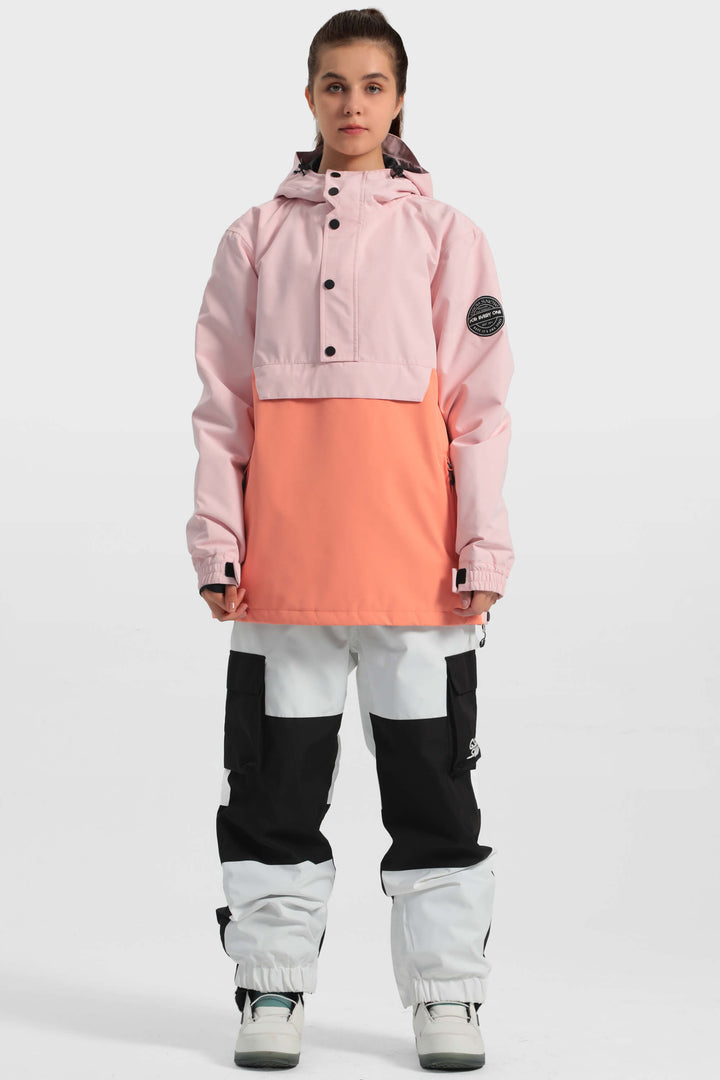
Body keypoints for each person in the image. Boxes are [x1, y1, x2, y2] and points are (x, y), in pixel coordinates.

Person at [186, 7, 515, 1071]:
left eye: (373, 85)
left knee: (433, 795)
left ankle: (448, 996)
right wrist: (218, 542)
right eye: (335, 84)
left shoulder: (448, 236)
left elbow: (480, 409)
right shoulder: (255, 237)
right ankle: (271, 986)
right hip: (284, 577)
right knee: (273, 792)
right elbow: (222, 408)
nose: (354, 104)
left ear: (400, 98)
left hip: (420, 576)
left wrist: (483, 545)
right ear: (309, 97)